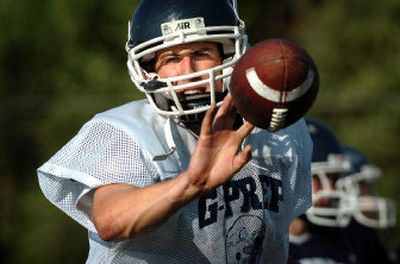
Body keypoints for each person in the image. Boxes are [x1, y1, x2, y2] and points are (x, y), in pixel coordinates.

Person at [37, 0, 313, 263]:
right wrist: (192, 183)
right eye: (170, 58)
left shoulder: (283, 134)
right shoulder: (128, 131)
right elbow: (110, 221)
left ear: (229, 54)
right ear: (148, 70)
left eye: (200, 53)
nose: (188, 71)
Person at [288, 119, 358, 264]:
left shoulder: (344, 240)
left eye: (333, 179)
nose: (330, 190)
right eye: (318, 178)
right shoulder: (254, 246)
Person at [336, 145, 395, 264]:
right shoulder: (327, 240)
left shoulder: (364, 235)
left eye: (368, 187)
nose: (368, 195)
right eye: (361, 186)